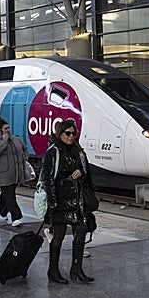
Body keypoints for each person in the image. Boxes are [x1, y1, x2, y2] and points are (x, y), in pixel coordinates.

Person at [42, 118, 94, 284]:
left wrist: (81, 172)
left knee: (81, 232)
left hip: (77, 202)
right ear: (60, 133)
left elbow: (87, 175)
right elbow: (47, 177)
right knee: (58, 237)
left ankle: (77, 268)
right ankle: (53, 269)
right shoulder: (54, 151)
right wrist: (52, 200)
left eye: (73, 133)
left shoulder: (79, 152)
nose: (71, 136)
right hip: (60, 201)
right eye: (68, 133)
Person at [0, 116, 29, 227]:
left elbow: (24, 148)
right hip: (4, 174)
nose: (8, 130)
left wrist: (24, 158)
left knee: (7, 194)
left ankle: (2, 211)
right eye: (5, 128)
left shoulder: (16, 139)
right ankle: (17, 216)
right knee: (10, 195)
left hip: (16, 173)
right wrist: (4, 142)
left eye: (8, 128)